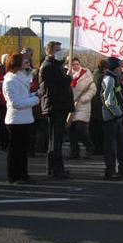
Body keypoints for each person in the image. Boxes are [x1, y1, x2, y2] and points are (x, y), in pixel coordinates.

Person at [38, 41, 74, 179]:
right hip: (55, 105)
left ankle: (55, 167)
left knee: (57, 140)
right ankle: (56, 169)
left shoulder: (54, 65)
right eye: (58, 50)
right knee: (55, 140)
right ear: (51, 51)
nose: (61, 52)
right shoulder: (48, 66)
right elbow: (61, 82)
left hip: (58, 105)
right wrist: (68, 76)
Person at [3, 53, 40, 184]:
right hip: (16, 120)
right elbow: (16, 103)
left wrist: (35, 94)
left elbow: (24, 96)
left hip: (25, 119)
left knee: (23, 150)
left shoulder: (22, 77)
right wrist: (35, 100)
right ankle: (13, 176)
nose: (28, 63)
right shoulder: (11, 80)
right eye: (25, 61)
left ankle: (23, 175)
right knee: (15, 151)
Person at [101, 57, 123, 179]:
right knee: (111, 146)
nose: (120, 69)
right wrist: (119, 113)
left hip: (116, 117)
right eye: (119, 67)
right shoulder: (109, 79)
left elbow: (118, 93)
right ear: (114, 68)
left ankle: (122, 169)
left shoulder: (114, 78)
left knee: (120, 145)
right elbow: (109, 101)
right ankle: (110, 171)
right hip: (111, 118)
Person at [68, 57, 96, 159]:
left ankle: (89, 147)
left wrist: (85, 98)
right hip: (71, 105)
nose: (75, 66)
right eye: (73, 64)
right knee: (71, 130)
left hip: (83, 105)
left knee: (80, 128)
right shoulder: (68, 75)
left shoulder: (86, 74)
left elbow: (93, 89)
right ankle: (74, 152)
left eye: (77, 64)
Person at [89, 59, 107, 155]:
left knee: (94, 130)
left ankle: (95, 148)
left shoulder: (94, 75)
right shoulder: (103, 77)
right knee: (100, 130)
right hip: (99, 107)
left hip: (93, 106)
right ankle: (99, 149)